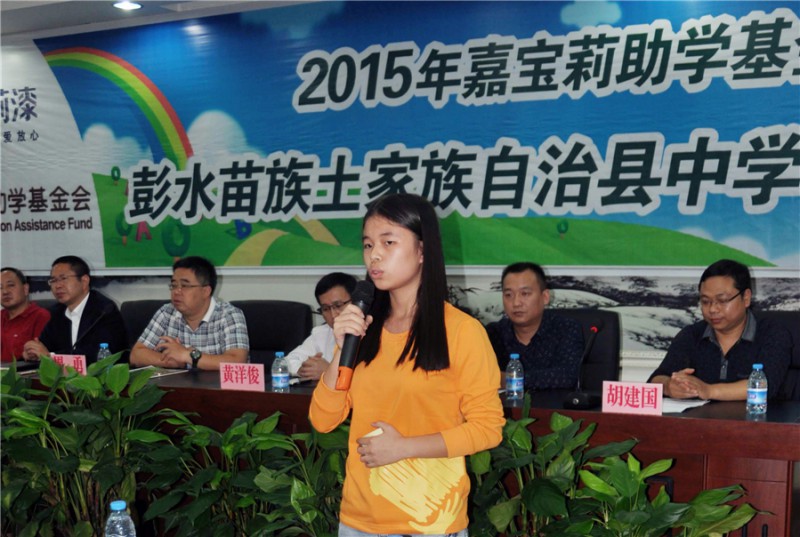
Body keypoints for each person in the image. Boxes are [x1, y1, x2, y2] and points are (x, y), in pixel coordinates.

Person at [309, 193, 504, 536]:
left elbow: (488, 428)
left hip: (429, 520)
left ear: (422, 250)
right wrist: (342, 347)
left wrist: (404, 448)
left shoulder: (462, 331)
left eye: (388, 242)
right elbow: (323, 421)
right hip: (359, 519)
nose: (375, 255)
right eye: (368, 244)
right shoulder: (362, 328)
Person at [648, 259, 791, 401]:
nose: (712, 309)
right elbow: (656, 379)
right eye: (705, 301)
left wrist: (709, 390)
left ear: (746, 298)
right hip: (701, 416)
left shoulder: (773, 333)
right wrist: (668, 386)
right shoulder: (692, 335)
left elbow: (766, 385)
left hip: (758, 415)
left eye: (722, 300)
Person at [130, 256, 249, 370]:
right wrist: (169, 361)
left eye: (185, 286)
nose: (176, 291)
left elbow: (237, 362)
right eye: (174, 285)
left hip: (217, 385)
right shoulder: (166, 313)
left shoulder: (229, 315)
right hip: (178, 384)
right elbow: (136, 354)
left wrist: (186, 355)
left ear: (206, 291)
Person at [485, 262, 584, 391]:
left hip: (553, 404)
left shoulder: (566, 329)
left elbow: (568, 376)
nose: (516, 303)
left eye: (525, 294)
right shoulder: (493, 334)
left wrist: (509, 379)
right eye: (508, 295)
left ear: (545, 297)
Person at [22, 256, 127, 364]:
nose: (58, 285)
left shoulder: (104, 310)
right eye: (53, 280)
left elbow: (99, 355)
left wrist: (50, 357)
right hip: (63, 374)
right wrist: (33, 352)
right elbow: (44, 346)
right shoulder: (56, 312)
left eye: (63, 278)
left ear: (84, 281)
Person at [286, 272, 358, 380]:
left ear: (357, 302)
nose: (333, 315)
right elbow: (288, 362)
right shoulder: (322, 333)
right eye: (325, 309)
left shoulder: (375, 335)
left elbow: (374, 381)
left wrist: (329, 371)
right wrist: (304, 369)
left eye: (338, 305)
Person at [1, 267, 51, 362]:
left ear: (25, 289)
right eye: (0, 287)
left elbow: (41, 358)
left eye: (10, 285)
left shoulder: (41, 316)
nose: (5, 292)